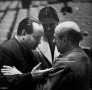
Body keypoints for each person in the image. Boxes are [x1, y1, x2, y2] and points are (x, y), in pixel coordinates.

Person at [0, 17, 52, 90]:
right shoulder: (5, 50)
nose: (39, 42)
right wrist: (30, 76)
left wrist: (20, 75)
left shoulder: (30, 48)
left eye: (40, 38)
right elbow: (3, 81)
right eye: (37, 37)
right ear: (24, 34)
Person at [38, 21, 91, 90]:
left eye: (56, 38)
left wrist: (31, 78)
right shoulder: (84, 56)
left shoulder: (63, 63)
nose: (54, 41)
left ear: (65, 40)